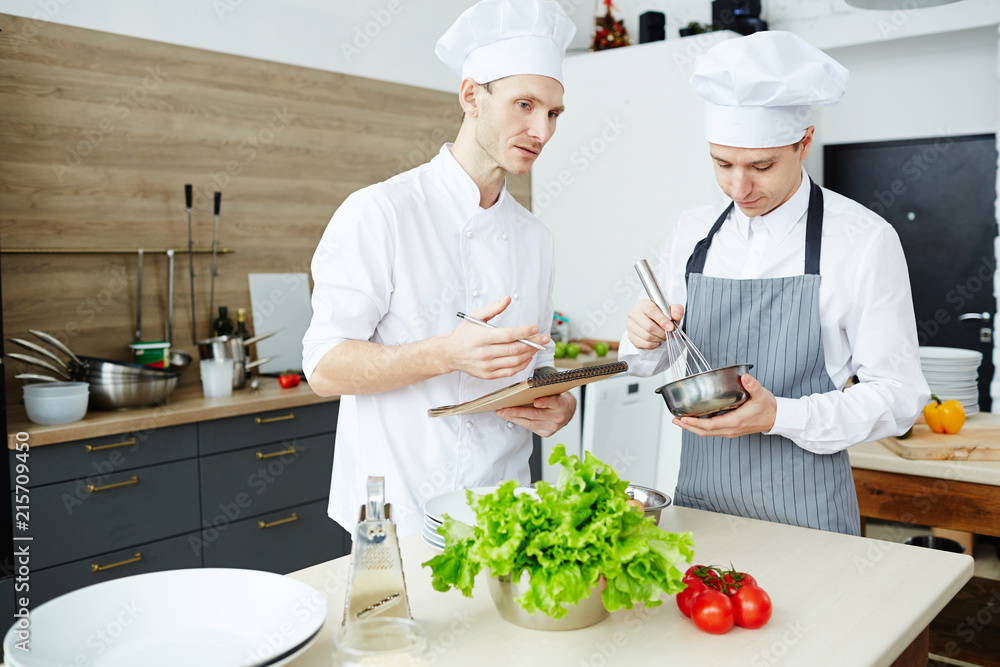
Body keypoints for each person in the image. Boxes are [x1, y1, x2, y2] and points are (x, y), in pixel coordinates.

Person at [619, 31, 929, 536]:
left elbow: (899, 396)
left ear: (803, 143)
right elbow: (647, 361)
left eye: (761, 166)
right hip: (700, 507)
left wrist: (778, 415)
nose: (739, 187)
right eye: (722, 164)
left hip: (807, 511)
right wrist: (642, 334)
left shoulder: (863, 240)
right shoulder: (692, 231)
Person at [303, 0, 578, 538]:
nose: (540, 130)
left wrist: (556, 403)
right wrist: (444, 354)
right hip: (398, 511)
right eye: (524, 104)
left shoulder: (536, 238)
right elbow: (324, 367)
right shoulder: (381, 211)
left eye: (553, 113)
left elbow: (532, 365)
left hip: (504, 508)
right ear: (471, 96)